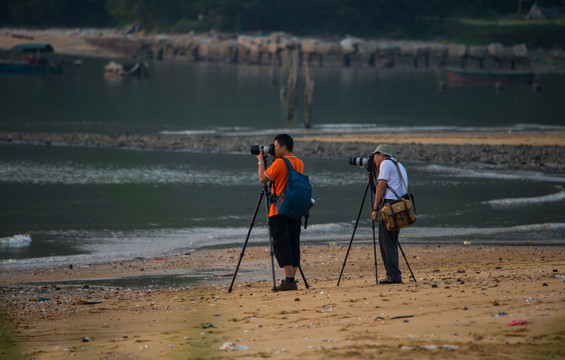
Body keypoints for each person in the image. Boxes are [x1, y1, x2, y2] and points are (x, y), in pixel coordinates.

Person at [256, 134, 304, 291]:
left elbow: (263, 178)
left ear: (284, 147)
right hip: (295, 209)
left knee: (282, 245)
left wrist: (261, 160)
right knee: (293, 244)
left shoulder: (279, 163)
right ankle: (292, 279)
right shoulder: (299, 162)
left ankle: (289, 281)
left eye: (275, 147)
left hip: (279, 210)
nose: (272, 149)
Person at [370, 144, 409, 284]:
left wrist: (375, 209)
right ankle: (394, 274)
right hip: (399, 208)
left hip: (390, 207)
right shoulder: (398, 165)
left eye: (375, 155)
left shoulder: (386, 163)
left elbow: (381, 186)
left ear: (381, 154)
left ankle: (393, 275)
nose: (374, 158)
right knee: (392, 241)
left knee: (386, 242)